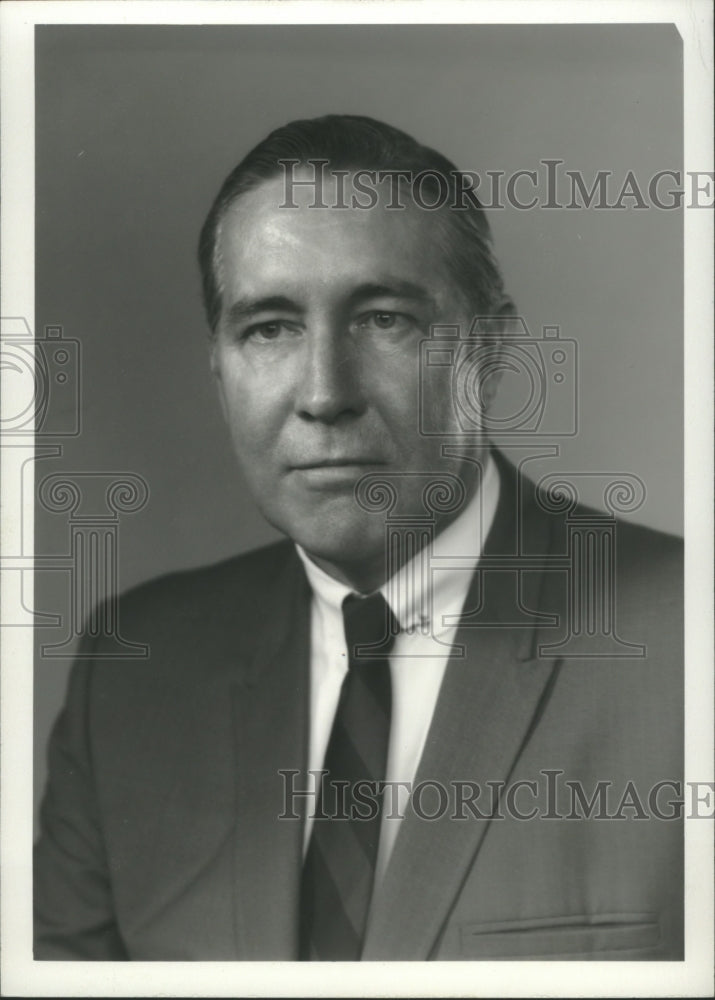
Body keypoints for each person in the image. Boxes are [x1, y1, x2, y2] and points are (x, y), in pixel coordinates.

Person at [34, 115, 683, 961]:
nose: (323, 394)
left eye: (382, 320)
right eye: (269, 328)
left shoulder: (684, 642)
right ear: (219, 370)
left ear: (489, 350)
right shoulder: (132, 674)